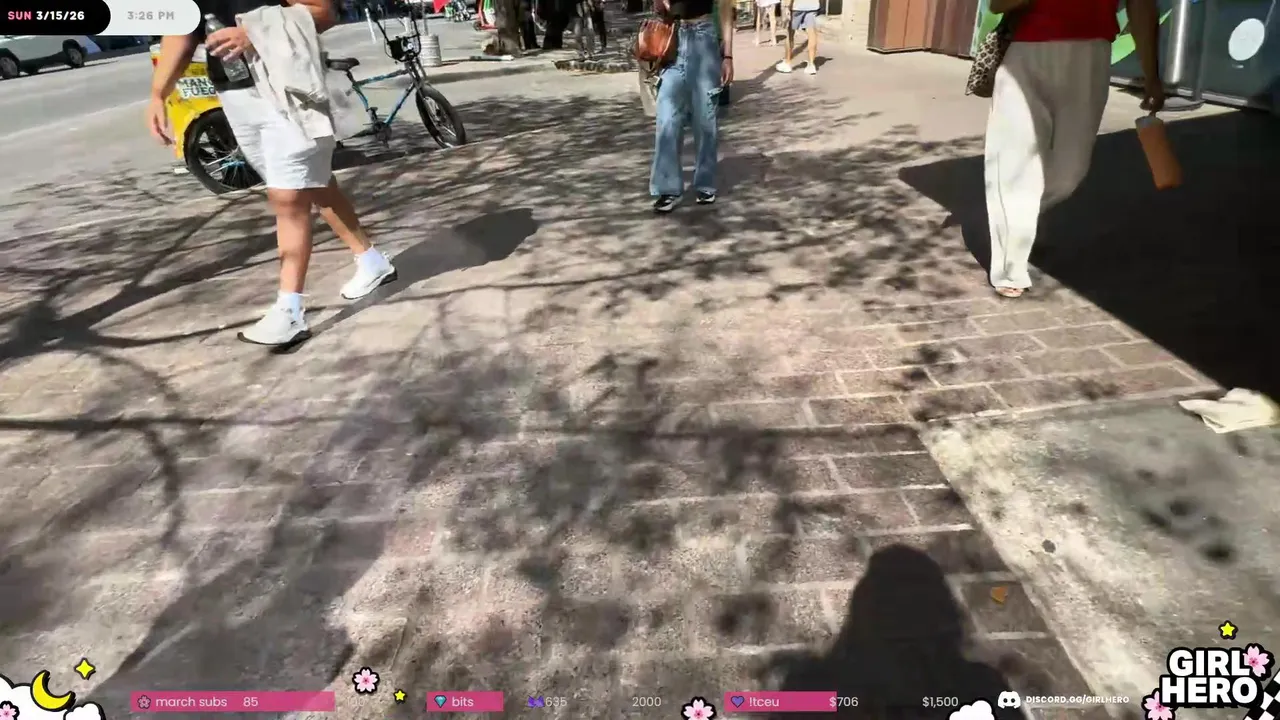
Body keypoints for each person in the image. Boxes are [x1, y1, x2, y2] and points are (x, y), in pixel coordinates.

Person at [146, 0, 398, 346]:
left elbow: (323, 11)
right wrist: (158, 94)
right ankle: (372, 261)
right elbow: (180, 33)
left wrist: (254, 33)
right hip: (234, 95)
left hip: (286, 89)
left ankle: (289, 311)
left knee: (287, 196)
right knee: (314, 184)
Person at [983, 0, 1164, 297]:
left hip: (1089, 56)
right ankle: (1010, 266)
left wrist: (1151, 75)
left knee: (1071, 171)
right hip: (1026, 54)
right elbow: (997, 5)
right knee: (1013, 160)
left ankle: (1025, 216)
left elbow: (1141, 7)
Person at [649, 0, 735, 212]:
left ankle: (705, 183)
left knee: (704, 118)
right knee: (667, 117)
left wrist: (727, 56)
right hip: (674, 38)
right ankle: (667, 188)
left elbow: (726, 8)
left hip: (704, 39)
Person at [775, 0, 818, 74]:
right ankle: (811, 65)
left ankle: (787, 63)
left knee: (790, 33)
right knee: (812, 33)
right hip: (813, 5)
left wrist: (787, 7)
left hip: (797, 6)